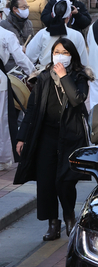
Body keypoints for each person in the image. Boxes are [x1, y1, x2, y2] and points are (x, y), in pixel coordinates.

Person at [14, 37, 93, 240]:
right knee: (46, 181)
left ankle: (69, 215)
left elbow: (76, 99)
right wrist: (22, 137)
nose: (60, 55)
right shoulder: (43, 77)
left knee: (66, 181)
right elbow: (32, 109)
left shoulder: (79, 76)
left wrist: (64, 76)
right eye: (57, 51)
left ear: (72, 56)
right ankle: (52, 223)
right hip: (46, 135)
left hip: (70, 135)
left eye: (65, 53)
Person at [0, 27, 33, 171]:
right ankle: (3, 157)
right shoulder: (6, 34)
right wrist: (34, 74)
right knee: (2, 120)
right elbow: (20, 58)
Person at [27, 0, 88, 69]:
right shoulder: (77, 35)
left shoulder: (42, 33)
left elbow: (29, 56)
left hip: (45, 75)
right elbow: (83, 62)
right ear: (69, 16)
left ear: (52, 14)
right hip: (70, 77)